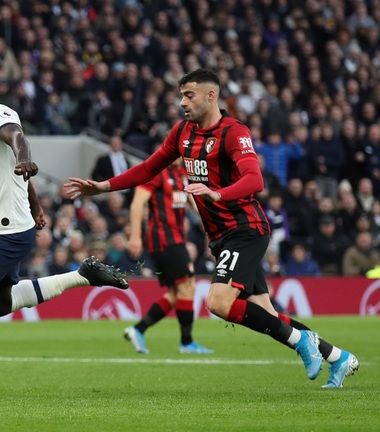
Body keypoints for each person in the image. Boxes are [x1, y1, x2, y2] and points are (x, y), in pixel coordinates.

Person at [65, 68, 358, 389]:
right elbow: (149, 167)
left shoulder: (234, 132)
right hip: (220, 236)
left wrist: (218, 193)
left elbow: (255, 179)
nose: (181, 102)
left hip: (245, 228)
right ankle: (337, 357)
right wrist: (104, 186)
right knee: (265, 313)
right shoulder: (182, 132)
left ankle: (302, 342)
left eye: (188, 95)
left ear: (211, 95)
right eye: (180, 96)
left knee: (218, 302)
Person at [0, 68, 129, 397]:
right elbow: (13, 170)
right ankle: (83, 275)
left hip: (9, 233)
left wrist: (26, 158)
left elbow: (16, 139)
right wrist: (36, 204)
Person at [124, 156, 213, 355]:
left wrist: (215, 224)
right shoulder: (155, 173)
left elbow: (195, 205)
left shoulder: (183, 174)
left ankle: (138, 330)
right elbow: (137, 204)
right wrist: (136, 236)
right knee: (188, 285)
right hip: (164, 240)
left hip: (176, 239)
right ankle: (187, 342)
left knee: (177, 293)